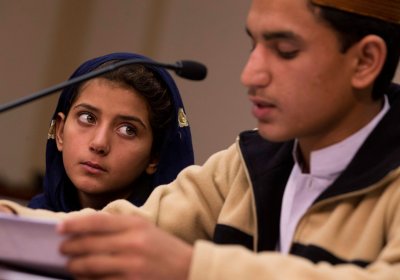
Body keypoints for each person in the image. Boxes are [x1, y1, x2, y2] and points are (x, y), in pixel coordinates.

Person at [1, 0, 400, 279]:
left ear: (365, 62)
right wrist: (10, 223)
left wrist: (189, 268)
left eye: (284, 50)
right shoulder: (245, 164)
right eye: (253, 44)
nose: (250, 74)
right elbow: (118, 229)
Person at [28, 52, 194, 211]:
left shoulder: (168, 236)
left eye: (127, 130)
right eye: (87, 118)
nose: (99, 143)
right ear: (60, 132)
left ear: (154, 157)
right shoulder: (25, 221)